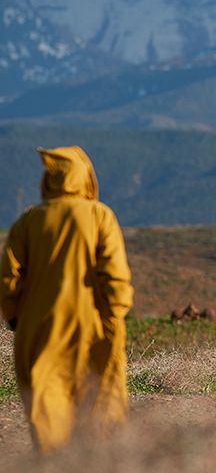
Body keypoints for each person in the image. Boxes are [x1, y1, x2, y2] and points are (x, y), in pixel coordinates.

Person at [0, 146, 133, 454]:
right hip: (95, 325)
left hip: (39, 327)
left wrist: (15, 316)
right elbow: (115, 275)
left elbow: (8, 279)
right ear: (85, 177)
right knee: (102, 402)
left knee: (47, 405)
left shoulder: (29, 222)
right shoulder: (100, 216)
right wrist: (115, 314)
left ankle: (56, 464)